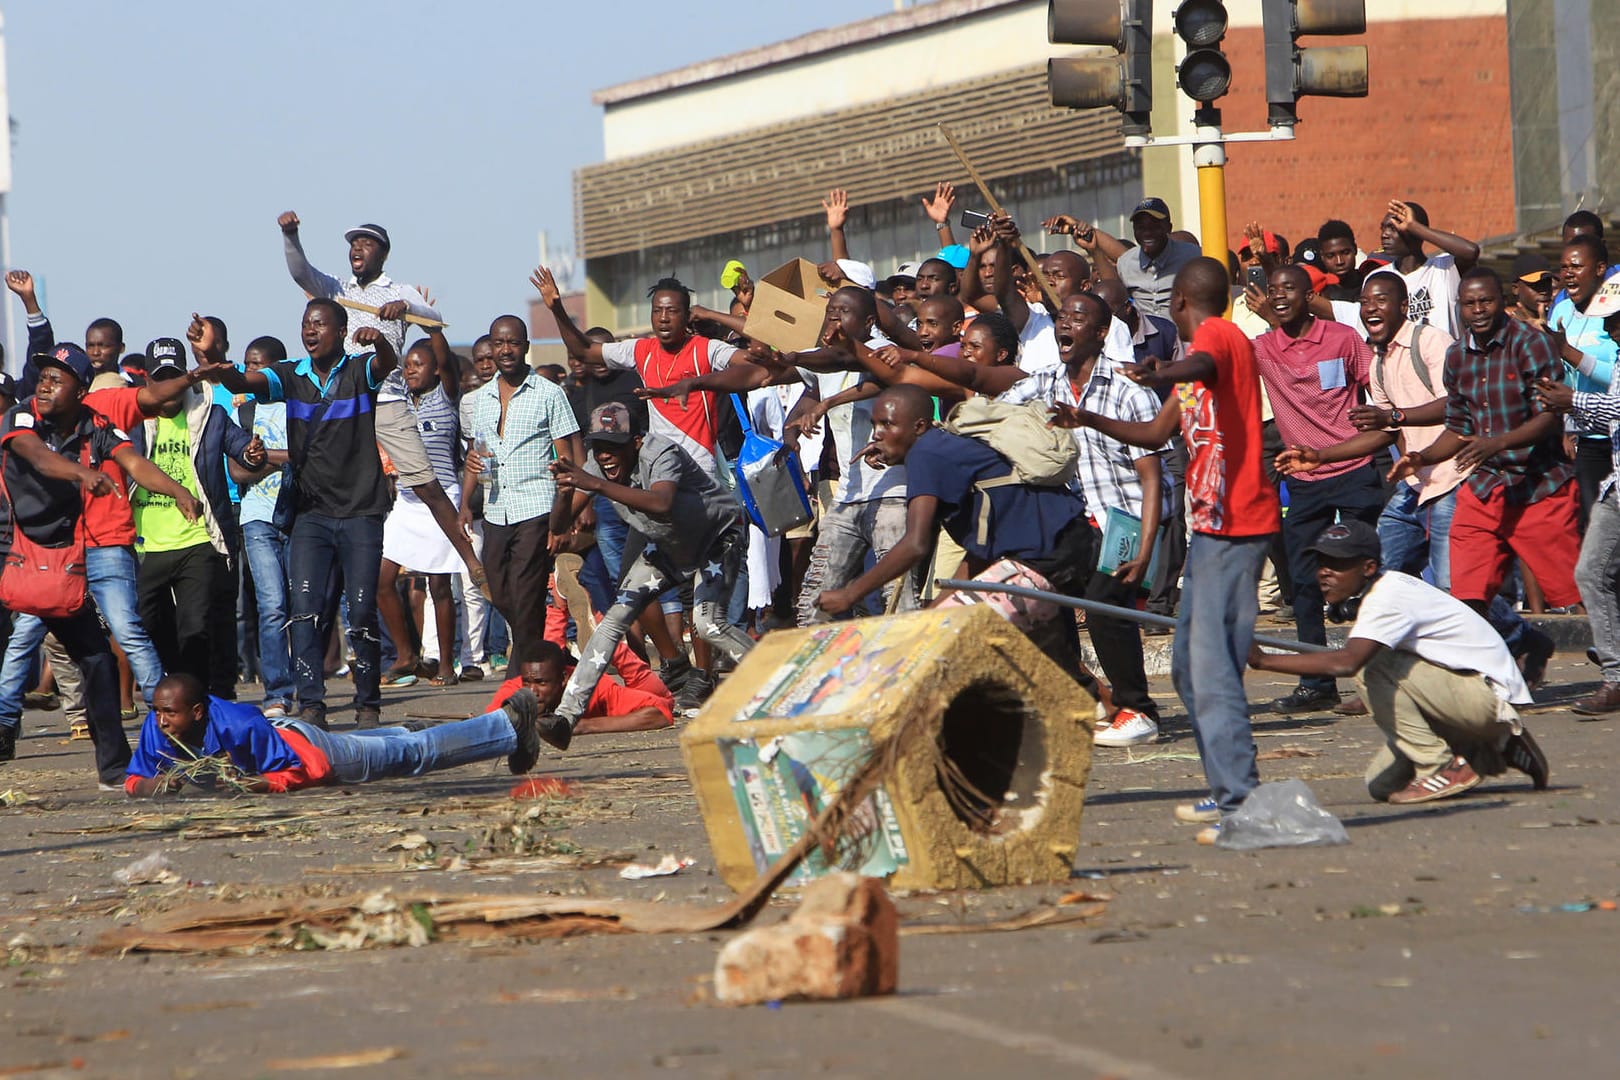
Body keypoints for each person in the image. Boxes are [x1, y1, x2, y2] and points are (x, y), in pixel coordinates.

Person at [1057, 258, 1280, 840]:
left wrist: (1165, 371)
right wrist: (1087, 417)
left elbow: (1203, 363)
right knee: (1186, 666)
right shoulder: (1190, 367)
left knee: (1212, 667)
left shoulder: (1217, 338)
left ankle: (1240, 800)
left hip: (1239, 525)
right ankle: (1227, 788)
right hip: (1210, 526)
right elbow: (1155, 435)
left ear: (1181, 299)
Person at [1277, 273, 1549, 683]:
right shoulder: (1379, 362)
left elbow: (1458, 409)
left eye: (1381, 299)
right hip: (1414, 484)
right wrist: (1320, 456)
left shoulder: (1430, 343)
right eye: (1366, 301)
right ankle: (1384, 677)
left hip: (1455, 477)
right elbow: (1384, 432)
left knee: (1453, 590)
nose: (1371, 308)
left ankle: (1503, 651)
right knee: (1377, 571)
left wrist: (1396, 417)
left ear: (1403, 306)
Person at [192, 300, 397, 731]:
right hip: (310, 513)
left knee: (359, 609)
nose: (311, 331)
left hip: (361, 511)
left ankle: (367, 701)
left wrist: (378, 340)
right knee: (303, 609)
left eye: (320, 325)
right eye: (306, 324)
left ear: (340, 331)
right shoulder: (289, 375)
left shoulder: (360, 372)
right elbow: (239, 379)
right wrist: (212, 358)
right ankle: (312, 704)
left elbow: (387, 363)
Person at [1247, 522, 1549, 804]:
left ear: (1368, 567)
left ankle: (1438, 764)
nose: (1325, 573)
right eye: (1322, 564)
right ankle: (1498, 745)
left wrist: (1262, 661)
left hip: (1484, 697)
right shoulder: (1383, 591)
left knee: (1371, 666)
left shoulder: (1388, 596)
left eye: (1338, 564)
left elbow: (1346, 663)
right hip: (1470, 698)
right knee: (1381, 786)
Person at [0, 344, 193, 784]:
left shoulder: (97, 425)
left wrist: (178, 492)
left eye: (57, 379)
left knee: (98, 659)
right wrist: (81, 474)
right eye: (43, 377)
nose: (45, 385)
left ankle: (114, 768)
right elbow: (35, 454)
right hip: (8, 551)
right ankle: (5, 725)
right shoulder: (23, 415)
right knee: (16, 644)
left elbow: (134, 462)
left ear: (81, 390)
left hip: (51, 563)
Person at [818, 384, 1096, 675]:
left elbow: (915, 544)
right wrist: (939, 606)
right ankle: (1110, 713)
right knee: (1053, 655)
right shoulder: (942, 445)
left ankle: (1114, 711)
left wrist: (850, 594)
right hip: (1062, 541)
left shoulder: (926, 454)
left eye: (887, 424)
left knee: (967, 647)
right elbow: (981, 552)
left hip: (1046, 554)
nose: (877, 433)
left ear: (919, 426)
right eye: (875, 424)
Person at [277, 212, 485, 587]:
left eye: (366, 243)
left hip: (386, 400)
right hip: (344, 402)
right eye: (353, 243)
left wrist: (409, 310)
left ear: (383, 254)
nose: (357, 248)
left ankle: (469, 559)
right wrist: (290, 235)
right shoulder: (335, 288)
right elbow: (299, 272)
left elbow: (435, 319)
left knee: (425, 481)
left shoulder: (398, 290)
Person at [999, 292, 1168, 745]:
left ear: (1100, 333)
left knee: (1104, 610)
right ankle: (1088, 697)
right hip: (1077, 523)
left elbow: (1152, 480)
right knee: (1041, 600)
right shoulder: (1046, 381)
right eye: (1061, 317)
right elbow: (997, 412)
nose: (1064, 324)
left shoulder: (1129, 391)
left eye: (1078, 317)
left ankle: (1140, 711)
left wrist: (1147, 548)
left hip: (1129, 522)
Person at [541, 402, 754, 750]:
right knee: (615, 619)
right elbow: (559, 526)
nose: (605, 456)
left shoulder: (660, 451)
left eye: (614, 447)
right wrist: (565, 493)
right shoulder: (596, 465)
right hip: (669, 544)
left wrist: (594, 483)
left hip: (717, 536)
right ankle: (566, 717)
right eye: (599, 447)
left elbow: (661, 503)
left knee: (707, 623)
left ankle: (779, 684)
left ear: (636, 442)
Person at [1389, 268, 1582, 622]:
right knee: (1467, 597)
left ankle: (1611, 663)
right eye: (1469, 303)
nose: (1478, 310)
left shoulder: (1528, 342)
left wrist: (1497, 443)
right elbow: (1458, 429)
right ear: (1459, 307)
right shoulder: (1458, 356)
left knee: (1576, 594)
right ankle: (1509, 655)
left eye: (1486, 301)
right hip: (1485, 488)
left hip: (1539, 486)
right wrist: (1420, 458)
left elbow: (1550, 416)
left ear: (1501, 302)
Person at [1253, 263, 1382, 712]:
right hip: (1304, 481)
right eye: (1274, 290)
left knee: (1369, 579)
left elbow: (1377, 390)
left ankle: (1377, 678)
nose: (1281, 295)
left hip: (1355, 469)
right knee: (1306, 582)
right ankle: (1316, 682)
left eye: (1290, 288)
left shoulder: (1343, 339)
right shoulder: (1263, 349)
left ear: (1309, 295)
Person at [124, 674, 545, 795]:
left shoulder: (239, 724)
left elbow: (303, 769)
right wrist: (155, 786)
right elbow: (133, 780)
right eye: (157, 712)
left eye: (169, 714)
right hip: (303, 748)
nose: (161, 722)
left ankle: (507, 727)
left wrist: (260, 783)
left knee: (412, 755)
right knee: (398, 742)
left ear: (197, 712)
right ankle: (507, 724)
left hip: (307, 748)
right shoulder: (157, 727)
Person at [131, 336, 266, 698]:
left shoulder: (209, 414)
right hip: (145, 546)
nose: (168, 389)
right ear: (147, 381)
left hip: (198, 539)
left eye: (175, 377)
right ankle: (180, 687)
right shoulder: (132, 420)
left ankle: (197, 700)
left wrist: (253, 453)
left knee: (196, 627)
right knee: (148, 624)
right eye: (160, 379)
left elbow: (243, 450)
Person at [457, 314, 582, 671]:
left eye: (513, 343)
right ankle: (543, 652)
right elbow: (474, 454)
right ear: (491, 347)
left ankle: (521, 673)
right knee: (498, 585)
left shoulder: (549, 394)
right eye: (499, 343)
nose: (506, 349)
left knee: (526, 588)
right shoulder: (478, 399)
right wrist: (465, 502)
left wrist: (563, 516)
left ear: (526, 348)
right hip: (496, 506)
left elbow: (567, 457)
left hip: (536, 503)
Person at [1533, 280, 1620, 715]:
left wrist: (1574, 401)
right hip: (1617, 485)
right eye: (1609, 322)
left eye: (1616, 321)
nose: (1613, 329)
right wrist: (1572, 410)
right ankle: (1615, 676)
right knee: (1591, 572)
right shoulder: (1619, 356)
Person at [379, 338, 468, 687]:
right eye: (408, 364)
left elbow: (447, 359)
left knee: (439, 585)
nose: (411, 369)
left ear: (435, 369)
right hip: (408, 499)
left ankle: (446, 665)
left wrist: (428, 323)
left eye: (418, 364)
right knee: (382, 580)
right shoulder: (399, 400)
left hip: (442, 498)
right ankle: (407, 654)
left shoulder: (446, 396)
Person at [228, 336, 296, 718]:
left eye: (259, 366)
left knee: (303, 606)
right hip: (257, 517)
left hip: (298, 515)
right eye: (247, 364)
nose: (251, 372)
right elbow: (237, 469)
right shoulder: (246, 413)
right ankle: (277, 691)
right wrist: (278, 460)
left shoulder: (298, 407)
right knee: (271, 606)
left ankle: (307, 682)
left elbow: (308, 455)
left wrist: (263, 457)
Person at [1547, 235, 1617, 522]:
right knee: (1592, 527)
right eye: (1564, 267)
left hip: (1614, 432)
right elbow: (1557, 374)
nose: (1568, 273)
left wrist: (1570, 352)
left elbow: (1615, 376)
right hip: (1585, 440)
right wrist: (1566, 428)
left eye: (1576, 266)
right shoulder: (1561, 311)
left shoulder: (1614, 311)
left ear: (1600, 268)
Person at [1046, 198, 1202, 319]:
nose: (1147, 233)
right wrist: (1093, 249)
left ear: (1168, 227)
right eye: (1141, 228)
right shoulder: (1127, 262)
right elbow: (1112, 289)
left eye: (1154, 227)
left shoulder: (1194, 257)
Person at [486, 640, 673, 736]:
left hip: (653, 688)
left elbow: (661, 713)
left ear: (564, 679)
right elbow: (491, 723)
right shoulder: (515, 688)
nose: (532, 691)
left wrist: (584, 725)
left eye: (541, 683)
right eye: (527, 682)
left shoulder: (595, 687)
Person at [1377, 198, 1480, 339]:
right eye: (1383, 228)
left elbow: (1471, 251)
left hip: (1446, 359)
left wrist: (1414, 226)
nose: (1384, 235)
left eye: (1393, 228)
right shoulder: (1380, 277)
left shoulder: (1445, 268)